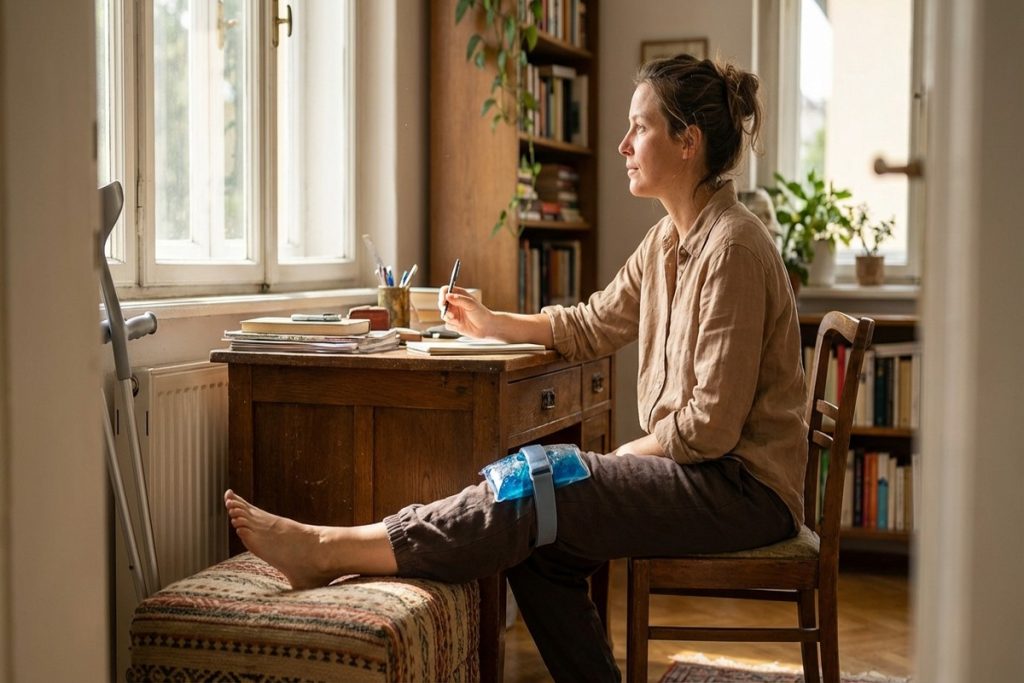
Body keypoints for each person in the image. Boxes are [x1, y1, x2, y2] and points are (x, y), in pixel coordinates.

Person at [225, 53, 807, 682]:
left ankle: (328, 549)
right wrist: (492, 322)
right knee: (540, 538)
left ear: (687, 142)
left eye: (639, 127)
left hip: (741, 491)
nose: (623, 144)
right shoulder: (669, 241)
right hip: (702, 473)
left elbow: (709, 431)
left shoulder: (735, 248)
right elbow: (593, 323)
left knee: (540, 485)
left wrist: (611, 461)